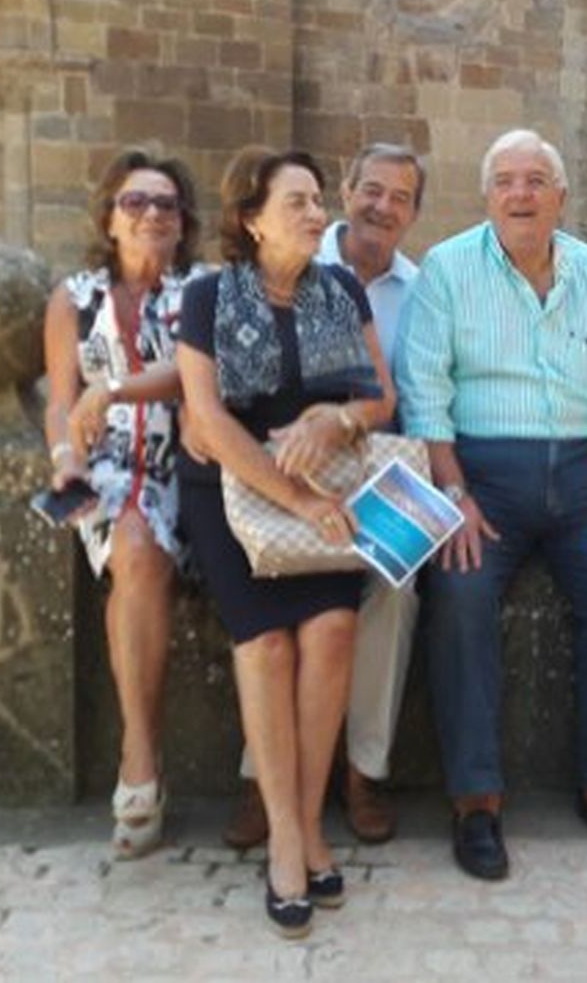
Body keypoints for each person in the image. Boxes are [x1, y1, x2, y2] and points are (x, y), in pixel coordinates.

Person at [395, 129, 587, 881]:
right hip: (481, 471)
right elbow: (425, 388)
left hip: (585, 476)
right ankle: (475, 801)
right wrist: (454, 494)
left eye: (536, 180)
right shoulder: (446, 270)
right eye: (506, 180)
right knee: (460, 591)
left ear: (561, 197)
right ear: (487, 197)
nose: (521, 194)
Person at [176, 147, 396, 937]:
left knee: (333, 629)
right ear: (251, 219)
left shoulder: (340, 290)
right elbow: (206, 422)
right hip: (234, 499)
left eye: (317, 200)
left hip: (328, 495)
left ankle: (304, 827)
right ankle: (281, 843)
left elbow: (379, 400)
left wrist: (332, 417)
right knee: (266, 645)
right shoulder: (207, 297)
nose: (316, 214)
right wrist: (297, 498)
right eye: (297, 201)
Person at [224, 143, 425, 849]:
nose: (383, 206)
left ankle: (363, 771)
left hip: (372, 469)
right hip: (285, 474)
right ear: (346, 190)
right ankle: (264, 777)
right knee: (276, 598)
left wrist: (434, 495)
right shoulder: (296, 268)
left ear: (412, 214)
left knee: (398, 591)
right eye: (372, 189)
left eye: (401, 198)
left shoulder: (420, 290)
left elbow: (402, 399)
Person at [41, 149, 201, 860]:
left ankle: (140, 761)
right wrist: (64, 457)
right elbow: (60, 401)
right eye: (135, 203)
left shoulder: (203, 291)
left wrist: (118, 390)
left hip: (186, 465)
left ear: (183, 222)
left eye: (166, 204)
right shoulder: (73, 299)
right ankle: (142, 755)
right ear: (109, 217)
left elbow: (196, 378)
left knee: (143, 547)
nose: (152, 215)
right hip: (106, 470)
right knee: (133, 546)